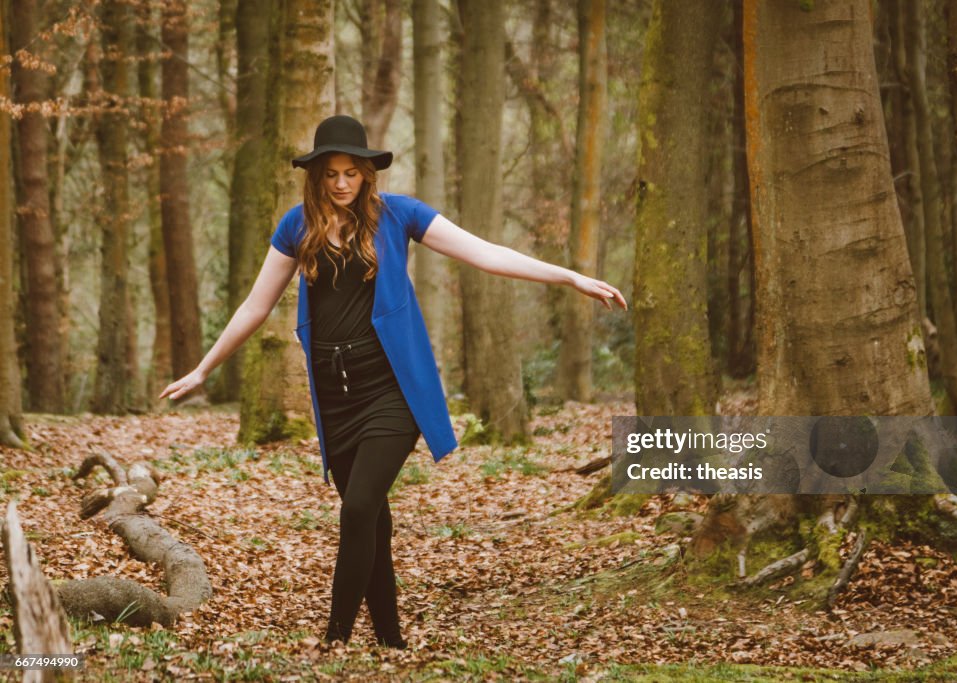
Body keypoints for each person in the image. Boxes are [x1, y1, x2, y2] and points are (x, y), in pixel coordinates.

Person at [160, 115, 627, 649]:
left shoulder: (398, 215)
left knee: (357, 507)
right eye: (331, 173)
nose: (341, 183)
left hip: (392, 390)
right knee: (372, 517)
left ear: (366, 174)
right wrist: (203, 368)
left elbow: (485, 253)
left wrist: (568, 276)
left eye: (351, 173)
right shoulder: (297, 226)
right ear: (315, 176)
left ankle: (334, 638)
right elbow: (256, 305)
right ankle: (390, 640)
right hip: (336, 396)